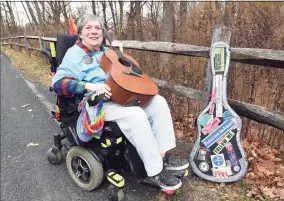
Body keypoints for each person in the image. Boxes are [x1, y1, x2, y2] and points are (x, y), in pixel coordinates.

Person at [52, 14, 189, 191]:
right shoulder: (74, 55)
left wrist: (120, 55)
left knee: (159, 102)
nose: (94, 31)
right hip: (96, 105)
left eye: (98, 28)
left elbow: (127, 77)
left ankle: (162, 156)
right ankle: (155, 171)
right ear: (80, 33)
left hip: (120, 98)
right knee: (136, 114)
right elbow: (57, 83)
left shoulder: (107, 51)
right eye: (88, 28)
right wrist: (89, 86)